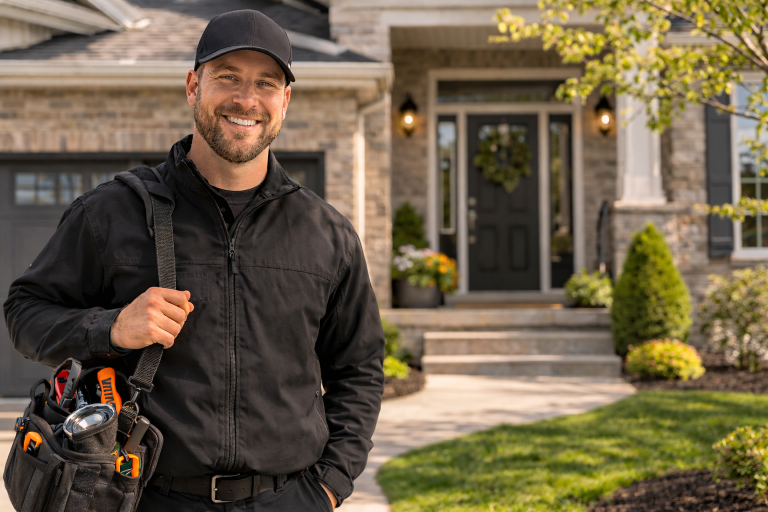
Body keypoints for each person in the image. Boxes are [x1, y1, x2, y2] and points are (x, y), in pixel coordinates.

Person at [3, 9, 384, 511]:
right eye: (227, 77)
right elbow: (25, 313)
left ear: (285, 101)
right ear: (192, 87)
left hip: (289, 499)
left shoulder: (326, 233)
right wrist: (112, 327)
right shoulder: (112, 213)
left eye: (266, 83)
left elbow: (359, 368)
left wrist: (329, 485)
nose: (246, 99)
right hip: (149, 497)